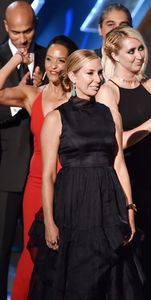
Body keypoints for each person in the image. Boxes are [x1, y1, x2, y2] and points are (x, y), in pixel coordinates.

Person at [26, 49, 143, 299]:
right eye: (90, 73)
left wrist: (129, 210)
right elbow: (48, 175)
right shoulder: (56, 118)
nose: (97, 79)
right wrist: (49, 222)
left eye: (100, 72)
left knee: (109, 279)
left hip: (107, 206)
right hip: (72, 206)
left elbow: (119, 164)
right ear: (73, 76)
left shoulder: (110, 115)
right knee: (74, 280)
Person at [97, 25, 151, 300]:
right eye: (131, 51)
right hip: (123, 182)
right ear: (114, 55)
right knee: (127, 261)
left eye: (140, 48)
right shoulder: (108, 92)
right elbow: (115, 142)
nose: (138, 56)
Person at [0, 35, 78, 300]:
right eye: (49, 59)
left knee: (64, 255)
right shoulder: (33, 95)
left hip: (69, 183)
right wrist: (15, 60)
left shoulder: (80, 99)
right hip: (36, 183)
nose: (54, 66)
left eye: (61, 60)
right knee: (31, 252)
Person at [0, 2, 45, 298]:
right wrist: (23, 101)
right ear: (6, 28)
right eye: (16, 32)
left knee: (40, 252)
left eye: (27, 30)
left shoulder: (50, 57)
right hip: (6, 173)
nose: (22, 38)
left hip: (42, 173)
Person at [95, 3, 151, 81]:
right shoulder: (86, 61)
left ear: (131, 30)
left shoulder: (150, 69)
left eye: (123, 25)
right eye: (110, 24)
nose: (117, 29)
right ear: (100, 29)